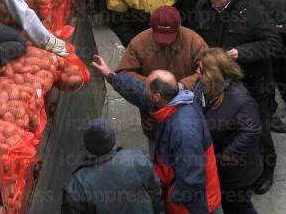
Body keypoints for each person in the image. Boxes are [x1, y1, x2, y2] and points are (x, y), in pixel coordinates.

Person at [194, 0, 283, 195]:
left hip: (253, 81)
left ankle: (266, 169)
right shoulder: (204, 8)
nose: (213, 1)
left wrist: (240, 53)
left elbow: (273, 43)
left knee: (259, 127)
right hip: (218, 83)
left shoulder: (252, 10)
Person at [91, 59, 221, 214]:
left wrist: (171, 198)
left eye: (148, 87)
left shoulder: (184, 130)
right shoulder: (173, 100)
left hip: (192, 205)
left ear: (157, 96)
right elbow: (139, 92)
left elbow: (192, 179)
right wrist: (111, 76)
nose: (145, 89)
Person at [116, 5, 208, 150]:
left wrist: (183, 85)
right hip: (154, 121)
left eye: (169, 36)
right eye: (159, 36)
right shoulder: (139, 43)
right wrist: (153, 84)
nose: (165, 41)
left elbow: (208, 71)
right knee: (158, 159)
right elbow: (123, 74)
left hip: (188, 118)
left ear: (178, 28)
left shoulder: (195, 42)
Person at [194, 48, 263, 213]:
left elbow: (251, 132)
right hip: (219, 166)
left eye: (201, 71)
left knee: (238, 207)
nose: (197, 73)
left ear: (213, 74)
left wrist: (223, 157)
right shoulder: (206, 88)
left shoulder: (241, 100)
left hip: (235, 172)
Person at [62, 118, 164, 213]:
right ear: (112, 139)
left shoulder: (77, 185)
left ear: (87, 145)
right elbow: (155, 193)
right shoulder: (137, 159)